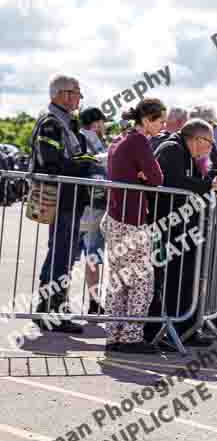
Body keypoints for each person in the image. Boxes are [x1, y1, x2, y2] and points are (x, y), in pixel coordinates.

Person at [143, 119, 217, 346]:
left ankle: (186, 329)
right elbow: (172, 181)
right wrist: (211, 186)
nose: (210, 149)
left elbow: (197, 182)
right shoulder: (171, 149)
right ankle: (158, 333)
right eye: (209, 143)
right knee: (167, 280)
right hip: (167, 226)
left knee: (186, 279)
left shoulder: (191, 155)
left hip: (186, 226)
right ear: (197, 139)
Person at [31, 75, 95, 333]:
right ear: (64, 94)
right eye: (78, 93)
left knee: (65, 253)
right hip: (62, 198)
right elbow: (50, 162)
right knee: (61, 253)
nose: (80, 98)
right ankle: (50, 310)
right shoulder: (51, 123)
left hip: (70, 198)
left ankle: (55, 306)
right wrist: (86, 162)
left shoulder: (67, 122)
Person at [103, 99, 165, 354]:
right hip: (131, 219)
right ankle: (131, 337)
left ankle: (113, 334)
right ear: (148, 119)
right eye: (160, 120)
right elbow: (157, 177)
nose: (162, 125)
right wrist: (143, 176)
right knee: (141, 281)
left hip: (114, 217)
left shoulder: (120, 139)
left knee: (118, 280)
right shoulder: (139, 141)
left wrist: (141, 175)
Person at [78, 107, 110, 314]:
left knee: (84, 254)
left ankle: (92, 300)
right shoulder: (91, 140)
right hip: (93, 204)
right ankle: (93, 301)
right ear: (97, 123)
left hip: (83, 203)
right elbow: (98, 165)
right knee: (93, 255)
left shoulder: (79, 137)